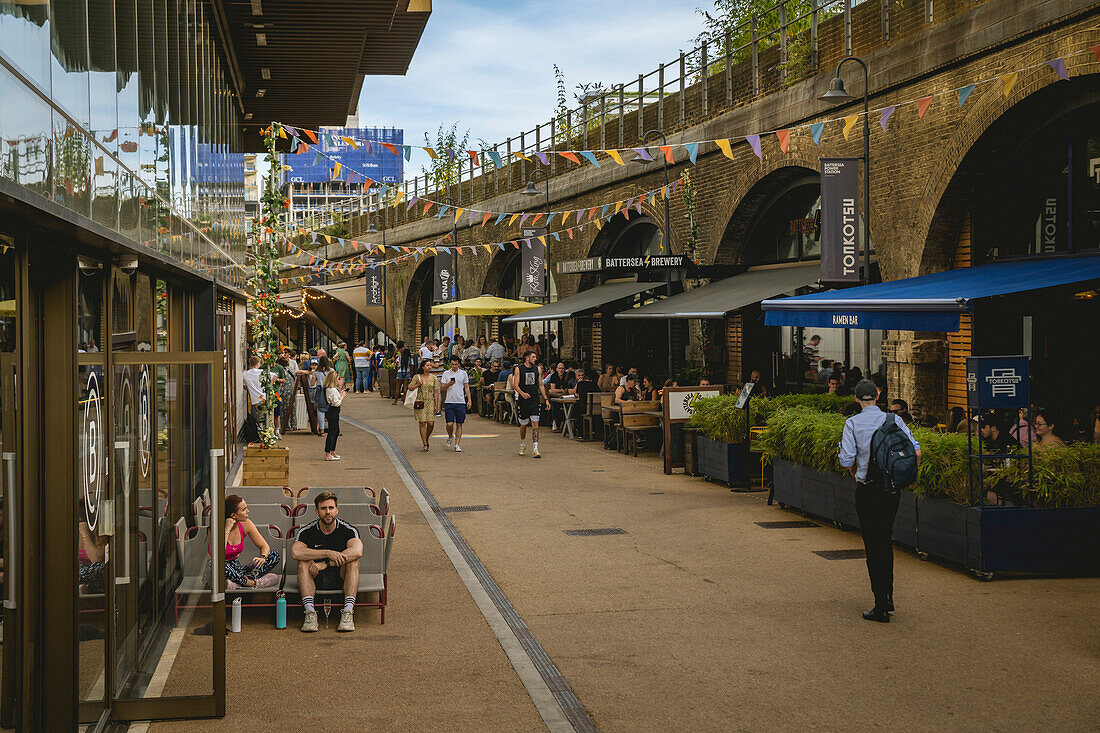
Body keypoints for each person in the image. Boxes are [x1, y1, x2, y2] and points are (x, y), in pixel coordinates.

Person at [838, 379, 921, 624]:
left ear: (856, 399)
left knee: (873, 545)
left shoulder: (852, 423)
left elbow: (846, 460)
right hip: (892, 489)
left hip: (868, 490)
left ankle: (880, 605)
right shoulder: (894, 420)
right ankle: (888, 596)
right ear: (877, 395)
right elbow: (916, 452)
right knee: (885, 539)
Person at [291, 492, 363, 633]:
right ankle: (310, 614)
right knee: (303, 563)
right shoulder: (306, 531)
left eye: (331, 508)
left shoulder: (348, 530)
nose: (327, 512)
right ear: (317, 511)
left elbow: (357, 551)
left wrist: (326, 563)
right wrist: (327, 553)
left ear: (337, 509)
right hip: (314, 576)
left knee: (353, 562)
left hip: (341, 577)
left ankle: (348, 612)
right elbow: (296, 552)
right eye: (323, 508)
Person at [223, 495, 280, 589]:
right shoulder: (215, 528)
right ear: (233, 515)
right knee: (222, 566)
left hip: (237, 571)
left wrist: (262, 558)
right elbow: (218, 555)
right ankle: (254, 583)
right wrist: (227, 529)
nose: (248, 511)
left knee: (274, 556)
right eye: (244, 509)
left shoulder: (246, 524)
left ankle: (238, 584)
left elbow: (264, 546)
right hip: (220, 570)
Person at [513, 350, 550, 458]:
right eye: (533, 357)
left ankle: (535, 448)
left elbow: (541, 385)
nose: (535, 359)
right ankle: (523, 443)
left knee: (535, 422)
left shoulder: (537, 369)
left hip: (534, 399)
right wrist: (522, 393)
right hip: (523, 400)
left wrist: (546, 398)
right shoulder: (519, 369)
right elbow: (516, 385)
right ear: (527, 358)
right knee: (523, 424)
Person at [440, 355, 473, 452]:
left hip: (460, 401)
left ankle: (457, 444)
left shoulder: (463, 373)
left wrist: (469, 400)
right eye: (452, 364)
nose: (454, 366)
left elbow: (466, 387)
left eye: (456, 364)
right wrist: (448, 384)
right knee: (449, 423)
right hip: (449, 401)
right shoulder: (446, 373)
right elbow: (442, 388)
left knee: (459, 423)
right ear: (450, 364)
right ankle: (450, 436)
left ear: (459, 364)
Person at [408, 358, 441, 452]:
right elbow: (409, 387)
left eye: (430, 365)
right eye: (427, 365)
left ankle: (426, 437)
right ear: (423, 367)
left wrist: (437, 406)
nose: (429, 367)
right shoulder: (417, 377)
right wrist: (418, 384)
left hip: (431, 401)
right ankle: (425, 444)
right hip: (420, 401)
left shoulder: (434, 378)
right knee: (422, 422)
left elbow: (436, 392)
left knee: (431, 423)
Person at [322, 370, 347, 461]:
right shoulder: (331, 389)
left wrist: (339, 395)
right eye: (337, 379)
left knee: (335, 431)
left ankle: (332, 451)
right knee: (333, 432)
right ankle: (328, 453)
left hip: (332, 411)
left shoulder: (330, 389)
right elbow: (336, 403)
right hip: (333, 411)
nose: (338, 380)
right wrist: (342, 396)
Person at [547, 362, 577, 431]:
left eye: (562, 368)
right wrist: (562, 390)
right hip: (556, 396)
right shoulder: (553, 376)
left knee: (569, 405)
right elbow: (552, 390)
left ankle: (566, 423)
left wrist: (565, 391)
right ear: (557, 369)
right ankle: (554, 422)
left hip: (566, 396)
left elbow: (570, 388)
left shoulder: (567, 376)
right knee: (554, 404)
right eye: (559, 368)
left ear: (565, 369)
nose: (561, 370)